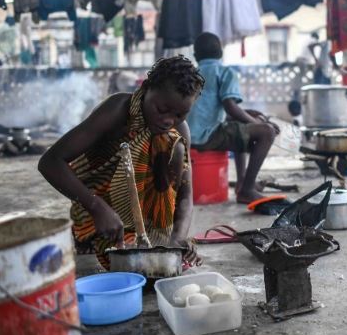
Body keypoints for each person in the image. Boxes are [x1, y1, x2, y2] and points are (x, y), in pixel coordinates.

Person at [38, 55, 204, 270]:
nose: (168, 120)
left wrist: (179, 237)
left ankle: (155, 236)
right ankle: (92, 236)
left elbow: (185, 191)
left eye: (180, 114)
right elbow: (50, 161)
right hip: (100, 210)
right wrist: (96, 208)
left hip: (148, 218)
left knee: (174, 144)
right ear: (145, 88)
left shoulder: (179, 130)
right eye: (162, 110)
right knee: (125, 265)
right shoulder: (116, 111)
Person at [186, 32, 279, 204]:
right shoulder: (224, 72)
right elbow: (230, 105)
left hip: (186, 137)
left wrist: (247, 116)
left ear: (196, 56)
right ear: (221, 53)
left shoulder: (189, 75)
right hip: (208, 137)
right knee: (267, 132)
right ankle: (247, 190)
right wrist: (257, 122)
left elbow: (212, 111)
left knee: (238, 127)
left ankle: (242, 182)